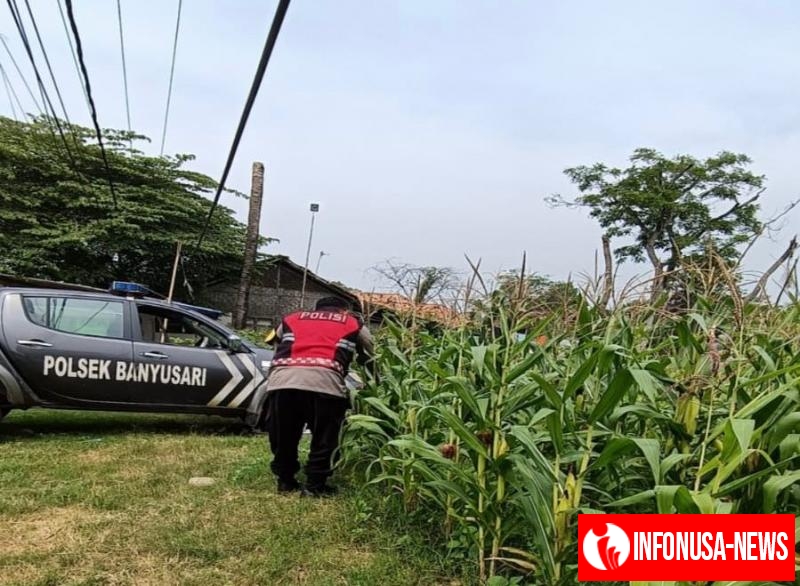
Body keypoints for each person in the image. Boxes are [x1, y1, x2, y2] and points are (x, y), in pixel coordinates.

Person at [263, 296, 374, 497]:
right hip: (326, 383)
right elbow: (370, 356)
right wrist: (374, 382)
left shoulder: (291, 318)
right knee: (326, 436)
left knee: (284, 434)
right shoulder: (353, 323)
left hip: (283, 381)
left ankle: (285, 481)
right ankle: (315, 485)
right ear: (344, 310)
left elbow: (276, 347)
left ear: (316, 309)